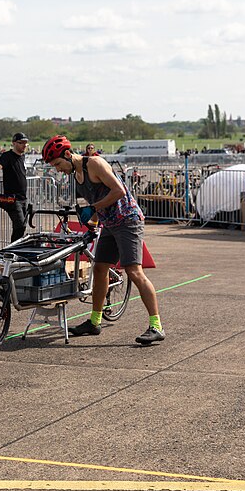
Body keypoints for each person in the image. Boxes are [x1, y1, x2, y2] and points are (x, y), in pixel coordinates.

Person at [41, 135, 165, 346]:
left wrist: (94, 208)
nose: (58, 169)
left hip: (128, 221)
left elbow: (119, 191)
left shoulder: (95, 164)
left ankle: (157, 326)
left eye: (58, 164)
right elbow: (98, 201)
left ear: (68, 155)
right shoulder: (77, 177)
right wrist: (94, 223)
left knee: (134, 271)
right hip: (109, 224)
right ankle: (94, 322)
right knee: (99, 269)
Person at [0, 132, 29, 242]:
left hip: (23, 198)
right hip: (12, 199)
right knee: (20, 226)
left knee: (22, 227)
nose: (24, 145)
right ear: (14, 143)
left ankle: (16, 250)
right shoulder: (7, 156)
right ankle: (12, 251)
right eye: (21, 142)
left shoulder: (22, 157)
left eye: (26, 143)